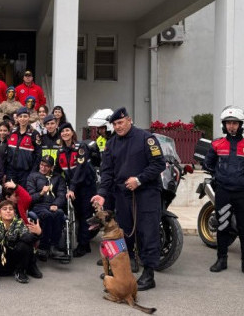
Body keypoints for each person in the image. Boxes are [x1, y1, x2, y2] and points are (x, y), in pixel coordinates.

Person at [91, 107, 165, 291]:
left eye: (121, 122)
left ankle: (149, 274)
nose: (118, 127)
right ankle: (125, 267)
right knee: (123, 233)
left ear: (129, 120)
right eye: (115, 124)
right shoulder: (111, 144)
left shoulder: (146, 138)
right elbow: (107, 172)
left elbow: (159, 164)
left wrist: (139, 179)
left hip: (146, 194)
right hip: (122, 195)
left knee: (147, 233)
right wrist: (101, 193)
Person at [203, 106, 244, 278]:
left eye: (235, 123)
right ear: (224, 125)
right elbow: (207, 165)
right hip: (223, 193)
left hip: (243, 194)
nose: (232, 126)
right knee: (222, 226)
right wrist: (218, 176)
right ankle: (221, 260)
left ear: (241, 125)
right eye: (228, 123)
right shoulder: (217, 144)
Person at [57, 123, 97, 258]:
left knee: (85, 215)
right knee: (79, 215)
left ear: (72, 132)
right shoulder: (61, 151)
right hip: (73, 188)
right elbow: (58, 170)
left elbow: (80, 169)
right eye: (62, 132)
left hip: (85, 186)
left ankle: (83, 246)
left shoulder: (81, 148)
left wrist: (72, 187)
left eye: (67, 130)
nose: (65, 133)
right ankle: (84, 242)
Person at [0, 200, 42, 284]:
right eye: (4, 209)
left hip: (14, 258)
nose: (8, 211)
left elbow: (27, 238)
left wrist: (37, 234)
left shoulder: (19, 223)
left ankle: (20, 272)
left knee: (24, 245)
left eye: (10, 209)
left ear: (14, 212)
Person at [26, 156, 68, 261]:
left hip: (53, 205)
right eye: (42, 165)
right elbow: (30, 197)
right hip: (38, 205)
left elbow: (62, 194)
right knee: (47, 215)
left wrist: (56, 204)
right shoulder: (33, 176)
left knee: (59, 213)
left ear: (52, 167)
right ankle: (44, 247)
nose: (43, 168)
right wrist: (41, 193)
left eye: (47, 166)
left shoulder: (58, 178)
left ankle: (54, 247)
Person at [5, 107, 42, 186]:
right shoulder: (12, 132)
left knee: (24, 196)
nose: (23, 119)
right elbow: (7, 152)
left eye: (25, 116)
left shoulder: (34, 134)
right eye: (20, 116)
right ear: (17, 118)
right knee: (11, 195)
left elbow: (38, 155)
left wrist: (33, 172)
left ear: (29, 117)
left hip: (26, 172)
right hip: (11, 172)